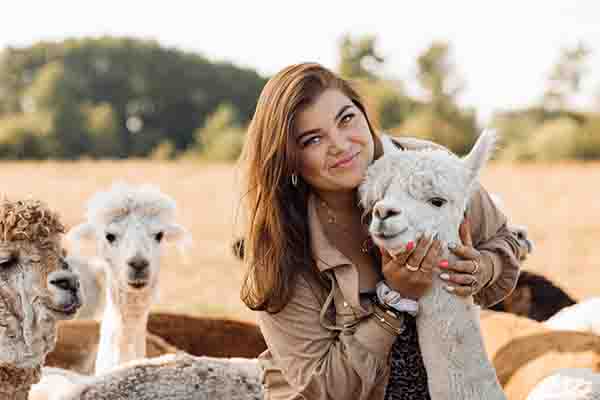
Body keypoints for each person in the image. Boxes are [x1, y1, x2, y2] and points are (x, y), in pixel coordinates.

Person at [239, 63, 521, 400]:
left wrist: (477, 269)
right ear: (290, 160)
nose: (341, 145)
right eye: (313, 139)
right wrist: (394, 301)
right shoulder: (282, 248)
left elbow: (503, 244)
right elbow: (324, 388)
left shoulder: (431, 167)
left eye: (346, 119)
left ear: (363, 113)